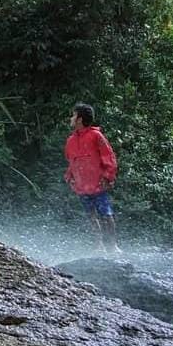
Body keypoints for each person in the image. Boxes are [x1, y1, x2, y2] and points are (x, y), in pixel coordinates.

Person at [64, 102, 120, 251]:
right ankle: (98, 246)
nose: (71, 118)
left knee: (106, 214)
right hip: (82, 187)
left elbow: (109, 157)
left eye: (73, 115)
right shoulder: (70, 140)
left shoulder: (96, 136)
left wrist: (108, 177)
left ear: (80, 119)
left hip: (99, 185)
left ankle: (113, 246)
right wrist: (69, 177)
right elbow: (72, 162)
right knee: (91, 216)